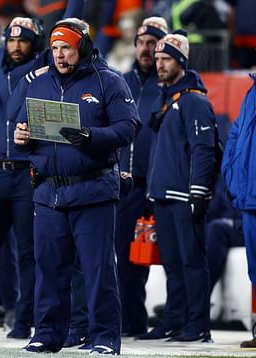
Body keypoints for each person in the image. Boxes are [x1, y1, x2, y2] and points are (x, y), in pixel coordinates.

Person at [0, 0, 84, 341]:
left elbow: (70, 23)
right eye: (11, 39)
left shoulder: (47, 64)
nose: (15, 45)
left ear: (37, 44)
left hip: (30, 174)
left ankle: (24, 321)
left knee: (31, 252)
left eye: (23, 39)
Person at [14, 17, 140, 354]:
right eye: (54, 48)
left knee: (98, 272)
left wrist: (91, 138)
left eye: (66, 47)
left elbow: (129, 128)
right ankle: (47, 334)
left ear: (82, 47)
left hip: (93, 190)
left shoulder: (109, 81)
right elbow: (22, 132)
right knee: (49, 270)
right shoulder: (37, 85)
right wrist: (21, 138)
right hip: (48, 193)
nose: (58, 55)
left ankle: (104, 338)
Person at [143, 31, 217, 342]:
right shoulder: (168, 98)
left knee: (191, 262)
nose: (159, 64)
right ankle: (173, 320)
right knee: (172, 264)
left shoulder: (194, 101)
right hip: (163, 194)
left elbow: (204, 149)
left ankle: (197, 324)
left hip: (184, 196)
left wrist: (199, 191)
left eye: (166, 59)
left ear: (182, 62)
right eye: (157, 59)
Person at [117, 16, 168, 338]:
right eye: (141, 43)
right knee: (124, 258)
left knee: (163, 259)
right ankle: (130, 322)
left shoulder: (171, 85)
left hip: (157, 185)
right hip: (125, 183)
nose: (146, 49)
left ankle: (173, 322)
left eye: (153, 43)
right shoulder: (120, 81)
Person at [221, 71, 256, 348]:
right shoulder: (251, 92)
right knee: (254, 269)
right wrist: (232, 176)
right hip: (249, 197)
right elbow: (235, 138)